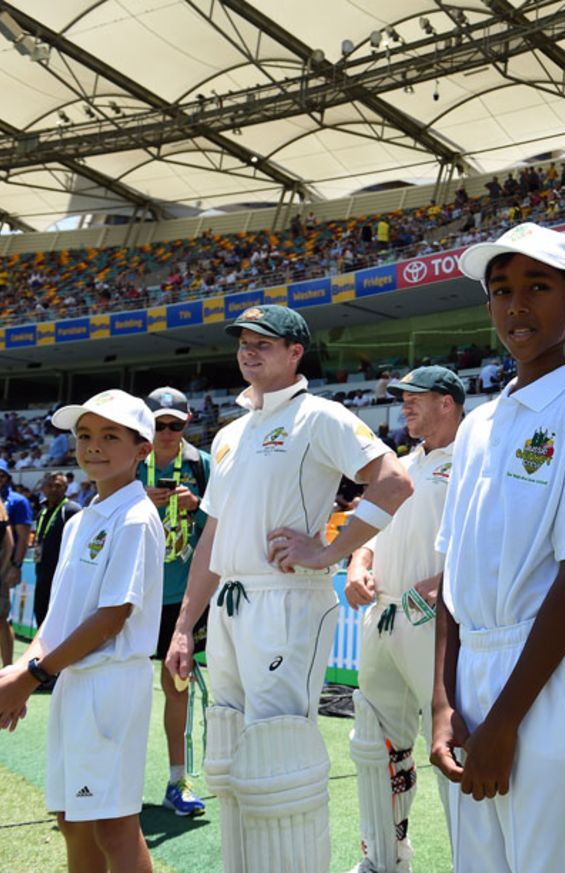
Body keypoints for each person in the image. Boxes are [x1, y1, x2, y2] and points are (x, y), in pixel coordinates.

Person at [164, 305, 412, 873]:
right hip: (230, 606)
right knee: (229, 757)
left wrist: (327, 552)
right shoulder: (228, 433)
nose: (249, 352)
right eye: (243, 343)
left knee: (280, 759)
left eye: (264, 343)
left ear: (295, 352)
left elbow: (395, 480)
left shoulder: (319, 416)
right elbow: (213, 540)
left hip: (287, 601)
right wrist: (184, 626)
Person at [431, 223, 565, 873]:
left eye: (537, 287)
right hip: (470, 681)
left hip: (546, 677)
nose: (516, 303)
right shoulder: (477, 425)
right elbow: (451, 573)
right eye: (501, 290)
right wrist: (443, 703)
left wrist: (503, 722)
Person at [0, 390, 163, 873]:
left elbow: (112, 616)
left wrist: (34, 673)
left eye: (110, 435)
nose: (93, 445)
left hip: (110, 684)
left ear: (142, 450)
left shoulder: (135, 517)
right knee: (72, 818)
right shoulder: (81, 517)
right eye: (85, 435)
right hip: (75, 679)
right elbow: (62, 611)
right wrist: (27, 668)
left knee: (113, 824)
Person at [347, 366, 464, 873]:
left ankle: (473, 858)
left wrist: (443, 583)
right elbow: (371, 530)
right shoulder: (399, 465)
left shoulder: (472, 459)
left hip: (436, 621)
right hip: (383, 614)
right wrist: (357, 562)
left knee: (449, 740)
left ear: (448, 403)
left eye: (417, 397)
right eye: (402, 398)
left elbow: (485, 535)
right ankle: (384, 857)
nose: (405, 405)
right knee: (376, 744)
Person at [138, 387, 212, 817]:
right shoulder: (129, 463)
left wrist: (197, 505)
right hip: (134, 598)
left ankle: (176, 780)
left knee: (177, 688)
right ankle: (120, 777)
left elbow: (221, 524)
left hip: (182, 600)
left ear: (187, 423)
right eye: (158, 425)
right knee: (127, 685)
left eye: (175, 425)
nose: (167, 433)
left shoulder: (201, 466)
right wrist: (138, 503)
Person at [32, 473, 80, 628]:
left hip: (62, 576)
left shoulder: (72, 510)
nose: (53, 489)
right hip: (42, 573)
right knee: (40, 613)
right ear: (43, 488)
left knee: (58, 621)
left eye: (58, 486)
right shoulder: (42, 511)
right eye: (49, 485)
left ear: (66, 488)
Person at [0, 459, 32, 668]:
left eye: (1, 475)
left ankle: (8, 668)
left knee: (1, 620)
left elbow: (21, 537)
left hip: (2, 569)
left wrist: (15, 566)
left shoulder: (17, 501)